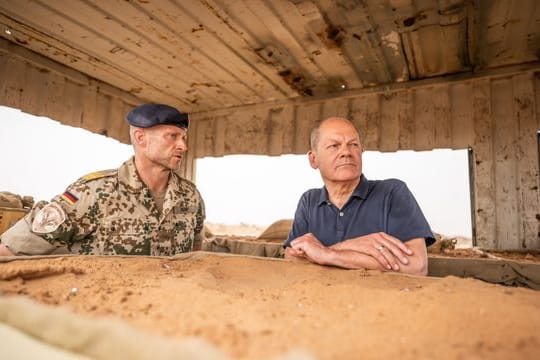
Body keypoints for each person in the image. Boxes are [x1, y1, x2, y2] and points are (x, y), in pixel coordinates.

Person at [0, 103, 205, 256]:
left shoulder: (190, 196)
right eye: (172, 136)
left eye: (184, 138)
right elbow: (10, 249)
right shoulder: (93, 192)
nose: (183, 146)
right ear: (141, 138)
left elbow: (195, 249)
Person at [283, 117, 434, 276]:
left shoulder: (392, 192)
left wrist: (327, 254)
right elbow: (291, 258)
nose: (346, 152)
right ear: (313, 159)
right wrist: (355, 246)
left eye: (353, 145)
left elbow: (417, 266)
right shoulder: (309, 201)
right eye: (334, 146)